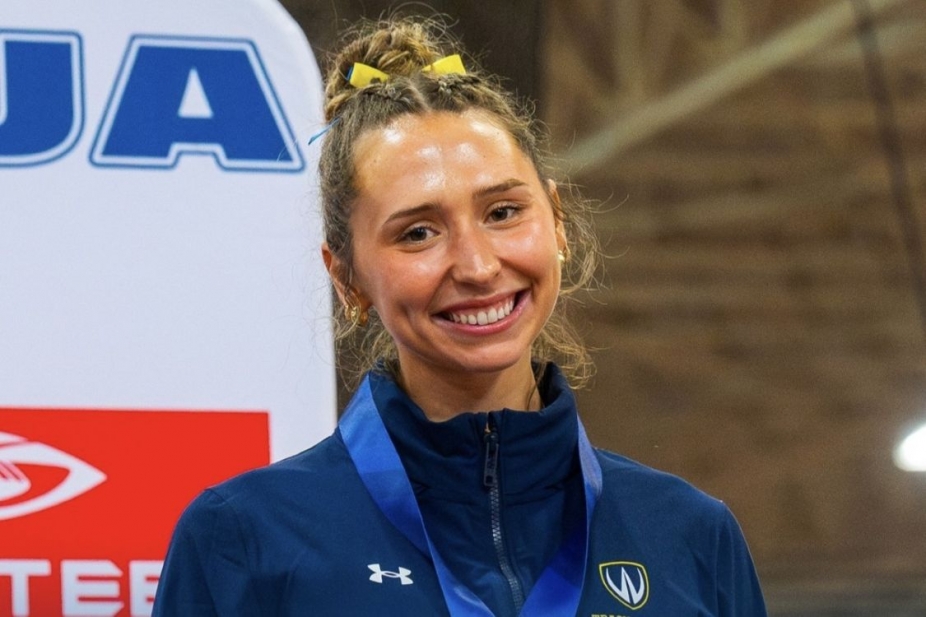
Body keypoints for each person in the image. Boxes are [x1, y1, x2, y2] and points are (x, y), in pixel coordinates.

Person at [152, 16, 767, 617]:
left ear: (556, 222)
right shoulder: (242, 541)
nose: (476, 265)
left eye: (502, 212)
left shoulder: (690, 538)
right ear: (346, 277)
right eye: (418, 232)